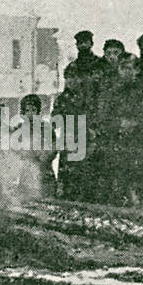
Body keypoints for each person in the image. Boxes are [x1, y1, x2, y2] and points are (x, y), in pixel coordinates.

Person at [95, 53, 143, 205]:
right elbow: (101, 118)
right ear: (119, 69)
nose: (128, 71)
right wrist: (119, 124)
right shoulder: (109, 92)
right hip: (115, 146)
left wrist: (135, 124)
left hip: (138, 147)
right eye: (124, 68)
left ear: (137, 70)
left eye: (132, 68)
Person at [51, 65, 97, 200]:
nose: (71, 81)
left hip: (85, 137)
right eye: (68, 77)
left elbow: (93, 117)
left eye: (75, 77)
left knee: (83, 173)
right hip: (68, 138)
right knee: (66, 172)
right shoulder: (62, 98)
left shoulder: (88, 97)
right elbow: (55, 118)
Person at [64, 30, 108, 106]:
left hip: (97, 108)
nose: (83, 45)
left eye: (86, 42)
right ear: (77, 45)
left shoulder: (101, 64)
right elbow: (68, 91)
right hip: (78, 109)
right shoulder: (71, 67)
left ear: (91, 44)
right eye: (80, 43)